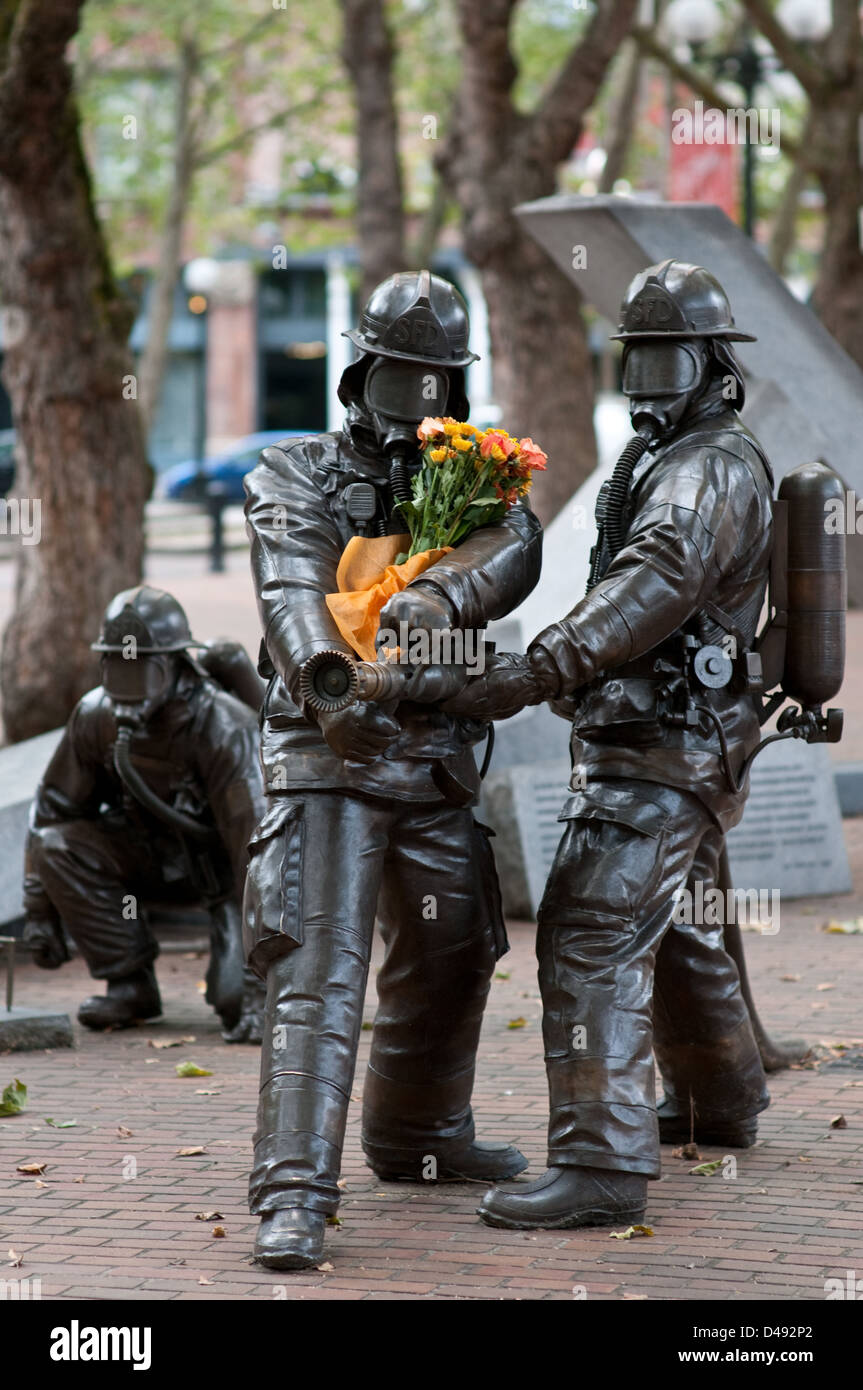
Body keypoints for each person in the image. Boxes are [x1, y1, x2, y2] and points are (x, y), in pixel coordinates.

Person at [444, 260, 774, 1231]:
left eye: (666, 362)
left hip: (665, 742)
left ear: (713, 368)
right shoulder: (673, 457)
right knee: (677, 925)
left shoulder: (706, 467)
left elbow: (652, 582)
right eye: (635, 363)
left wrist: (533, 669)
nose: (645, 384)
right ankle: (720, 1102)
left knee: (588, 929)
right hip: (669, 735)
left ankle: (600, 1162)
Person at [244, 269, 542, 1269]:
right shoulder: (289, 473)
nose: (415, 397)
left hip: (431, 753)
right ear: (359, 374)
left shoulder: (481, 481)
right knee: (316, 971)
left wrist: (440, 598)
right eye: (397, 376)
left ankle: (417, 1137)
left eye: (434, 381)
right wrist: (329, 694)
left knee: (456, 946)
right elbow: (290, 590)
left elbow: (508, 551)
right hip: (325, 751)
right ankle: (291, 1193)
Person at [22, 585, 266, 1042]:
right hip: (146, 859)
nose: (128, 682)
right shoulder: (95, 716)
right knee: (58, 846)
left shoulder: (223, 727)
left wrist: (258, 985)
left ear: (174, 665)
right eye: (118, 665)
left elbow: (258, 856)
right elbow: (51, 813)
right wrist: (39, 911)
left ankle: (247, 977)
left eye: (142, 667)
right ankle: (129, 983)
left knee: (235, 1000)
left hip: (224, 877)